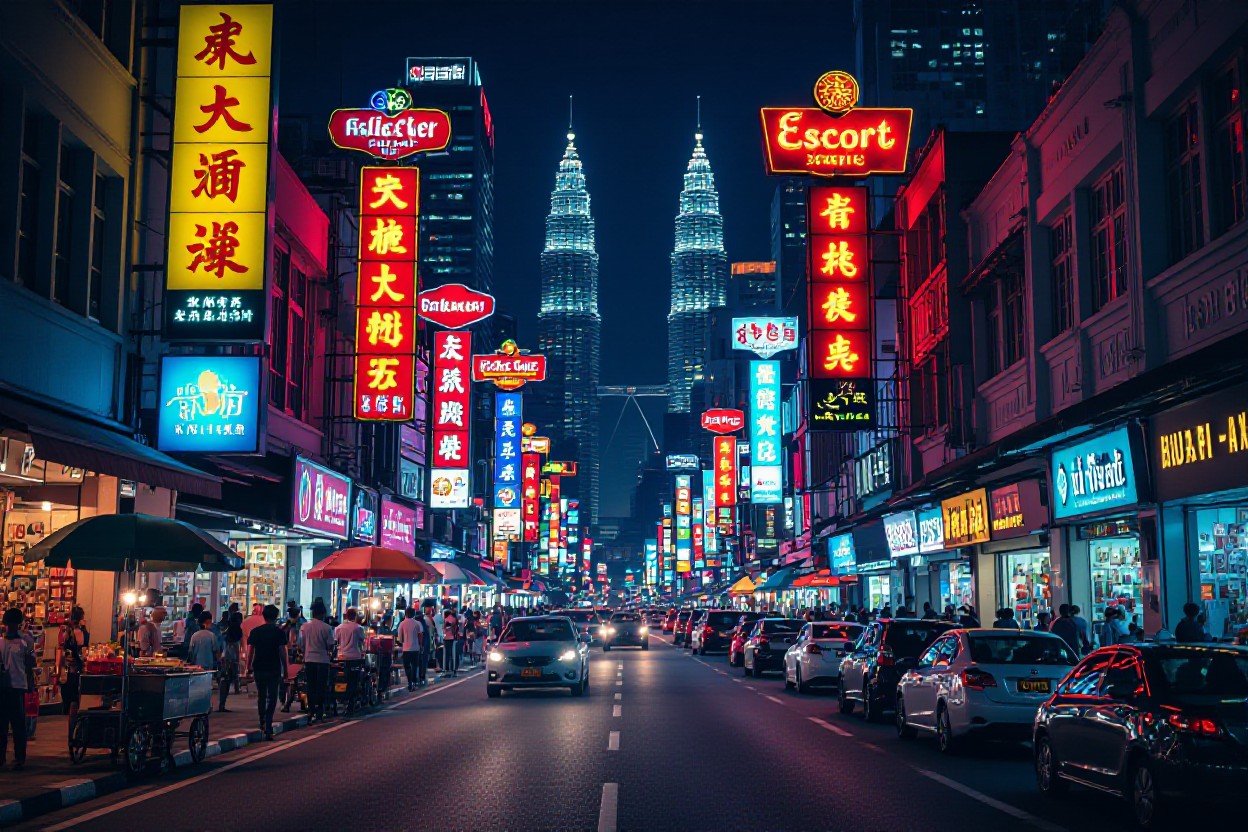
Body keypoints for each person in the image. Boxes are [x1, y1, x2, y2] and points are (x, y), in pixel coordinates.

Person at [246, 605, 288, 740]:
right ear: (275, 617)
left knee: (262, 696)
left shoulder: (256, 631)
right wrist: (285, 669)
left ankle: (262, 720)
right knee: (272, 697)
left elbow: (250, 651)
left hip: (259, 666)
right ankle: (268, 723)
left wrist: (248, 666)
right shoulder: (279, 632)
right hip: (273, 667)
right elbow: (282, 652)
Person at [1, 608, 35, 769]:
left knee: (17, 724)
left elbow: (30, 663)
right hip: (3, 687)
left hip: (17, 686)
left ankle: (19, 757)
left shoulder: (24, 642)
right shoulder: (1, 642)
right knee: (1, 725)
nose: (11, 628)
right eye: (9, 625)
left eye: (13, 624)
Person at [299, 601, 334, 722]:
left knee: (311, 686)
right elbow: (330, 645)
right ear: (323, 613)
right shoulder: (327, 628)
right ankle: (320, 710)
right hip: (323, 660)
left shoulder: (304, 627)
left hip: (309, 659)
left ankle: (311, 710)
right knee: (322, 686)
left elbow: (301, 644)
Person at [57, 605, 90, 729]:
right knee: (77, 696)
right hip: (79, 668)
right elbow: (83, 648)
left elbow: (62, 650)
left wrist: (58, 671)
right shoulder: (82, 632)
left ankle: (71, 721)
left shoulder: (67, 632)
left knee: (70, 698)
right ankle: (76, 721)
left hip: (69, 669)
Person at [335, 608, 366, 711]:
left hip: (341, 657)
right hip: (354, 657)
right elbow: (362, 641)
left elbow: (336, 642)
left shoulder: (339, 628)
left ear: (346, 616)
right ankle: (351, 701)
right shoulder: (358, 628)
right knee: (354, 681)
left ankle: (345, 700)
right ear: (355, 616)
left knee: (342, 679)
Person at [218, 612, 244, 713]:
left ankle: (222, 703)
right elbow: (237, 646)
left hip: (225, 658)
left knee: (225, 680)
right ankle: (222, 704)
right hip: (231, 659)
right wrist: (238, 659)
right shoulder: (237, 630)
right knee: (228, 680)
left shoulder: (226, 630)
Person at [397, 607, 423, 691]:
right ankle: (414, 682)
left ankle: (409, 682)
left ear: (406, 614)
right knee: (415, 666)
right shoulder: (417, 623)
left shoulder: (402, 624)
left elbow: (400, 638)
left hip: (406, 649)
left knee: (407, 667)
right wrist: (421, 645)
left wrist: (403, 642)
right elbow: (420, 636)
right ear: (414, 614)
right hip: (415, 648)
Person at [441, 607, 460, 677]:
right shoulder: (454, 619)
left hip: (446, 638)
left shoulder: (445, 619)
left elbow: (444, 628)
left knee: (446, 654)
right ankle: (453, 669)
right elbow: (454, 629)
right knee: (453, 654)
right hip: (452, 638)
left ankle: (446, 668)